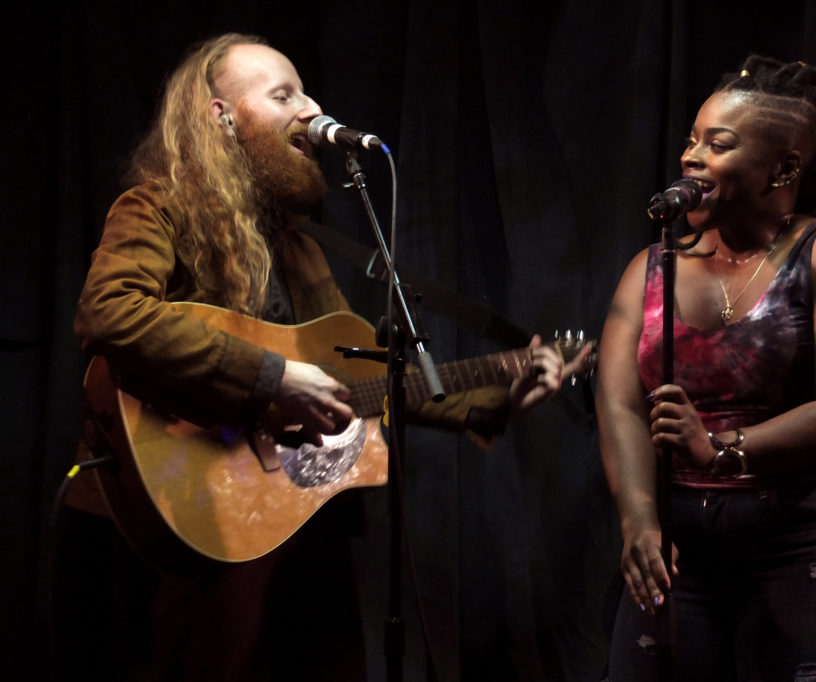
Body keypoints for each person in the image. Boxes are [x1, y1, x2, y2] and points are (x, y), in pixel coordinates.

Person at [63, 32, 584, 681]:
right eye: (284, 94)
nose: (311, 108)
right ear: (220, 117)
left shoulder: (299, 241)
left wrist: (498, 394)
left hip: (301, 516)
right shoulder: (158, 207)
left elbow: (360, 374)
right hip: (201, 506)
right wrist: (270, 375)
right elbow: (109, 312)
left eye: (306, 90)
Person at [596, 55, 816, 681]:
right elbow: (620, 401)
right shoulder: (651, 269)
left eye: (719, 144)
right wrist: (639, 519)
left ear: (784, 168)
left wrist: (724, 449)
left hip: (809, 538)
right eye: (691, 140)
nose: (691, 156)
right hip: (683, 548)